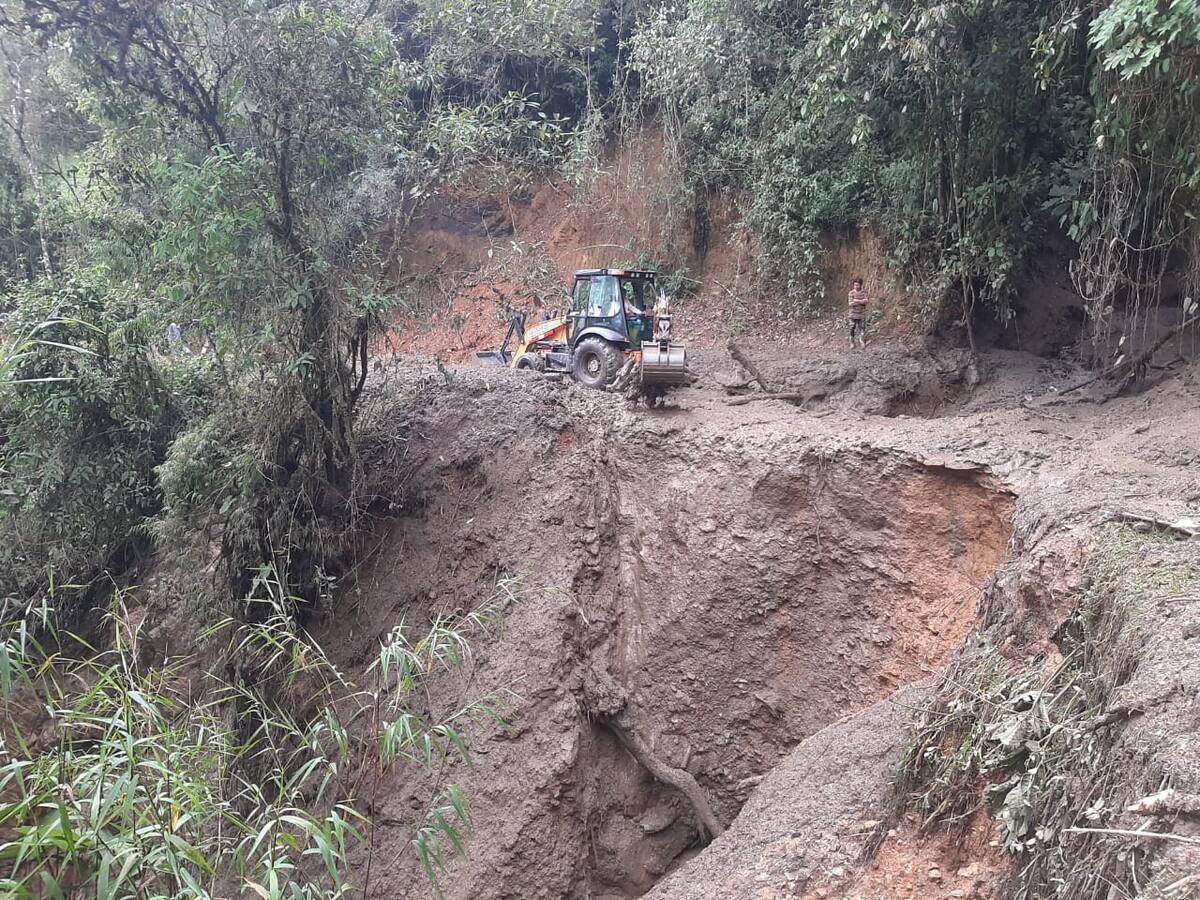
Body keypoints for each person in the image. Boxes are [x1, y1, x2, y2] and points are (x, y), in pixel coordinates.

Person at [848, 278, 868, 349]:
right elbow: (850, 304)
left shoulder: (864, 292)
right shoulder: (851, 293)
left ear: (861, 285)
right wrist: (861, 301)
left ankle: (861, 341)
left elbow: (866, 301)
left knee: (862, 328)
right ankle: (852, 342)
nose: (856, 286)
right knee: (851, 328)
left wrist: (856, 300)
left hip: (861, 314)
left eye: (857, 285)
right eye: (855, 285)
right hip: (852, 314)